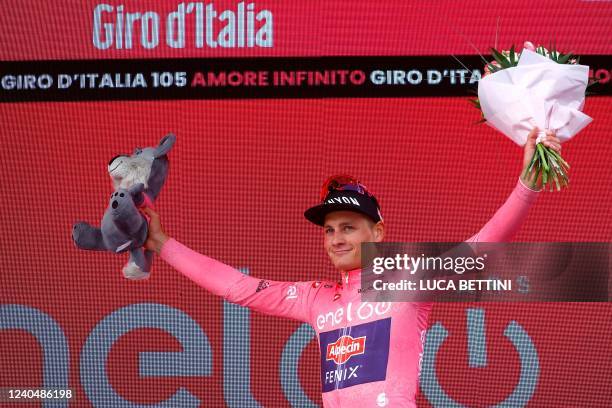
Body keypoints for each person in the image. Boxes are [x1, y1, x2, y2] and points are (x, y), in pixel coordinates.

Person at [140, 128, 561, 407]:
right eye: (328, 231)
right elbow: (238, 286)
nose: (336, 238)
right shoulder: (316, 297)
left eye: (347, 228)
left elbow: (479, 248)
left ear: (378, 232)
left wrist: (528, 185)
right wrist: (161, 243)